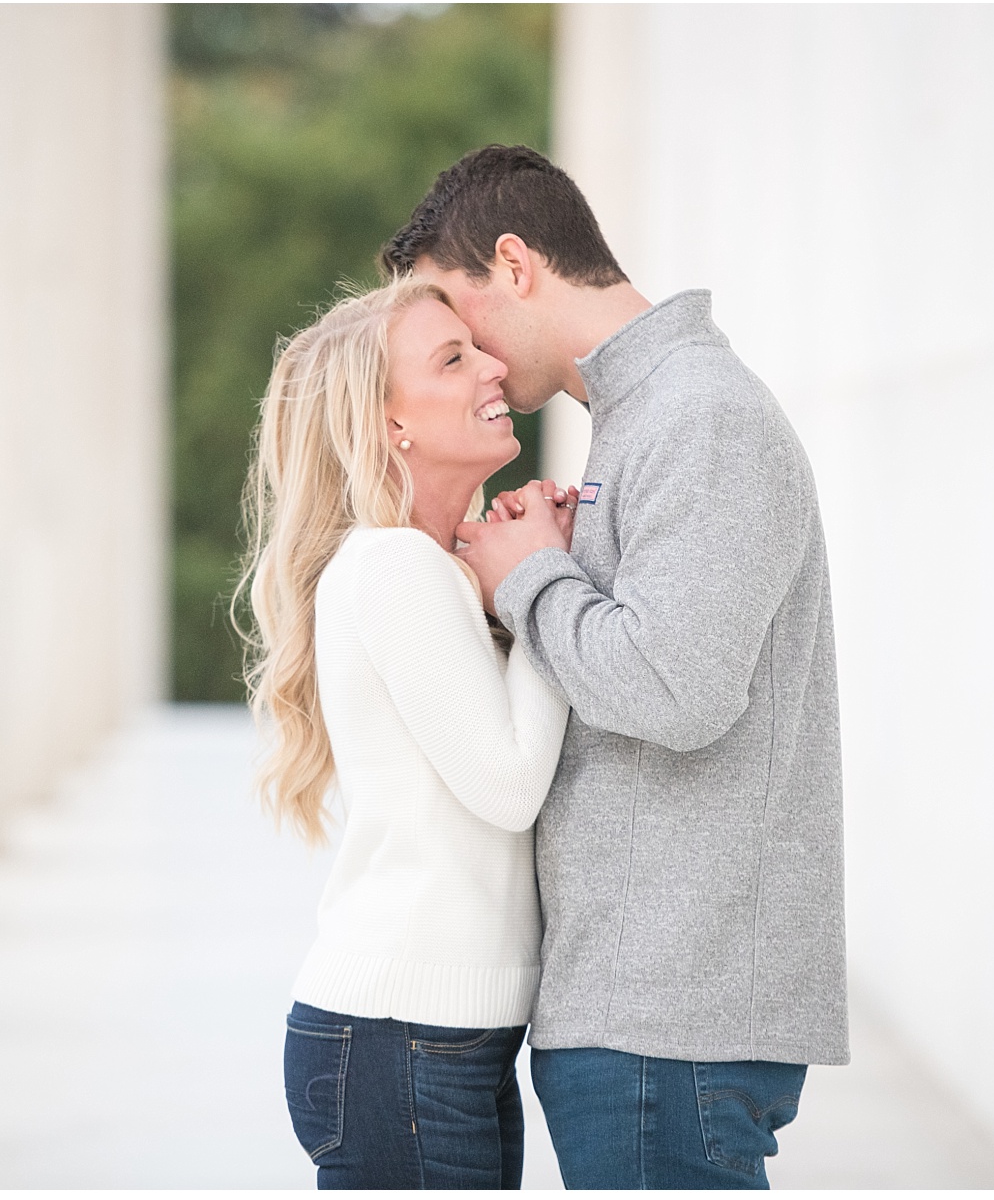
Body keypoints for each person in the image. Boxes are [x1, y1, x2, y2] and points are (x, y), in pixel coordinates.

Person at [378, 144, 849, 1190]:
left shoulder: (701, 414)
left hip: (673, 1011)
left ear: (516, 263)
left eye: (466, 325)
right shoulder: (646, 416)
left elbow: (675, 689)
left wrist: (531, 580)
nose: (483, 366)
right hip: (644, 1006)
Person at [237, 276, 578, 1189]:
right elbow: (510, 787)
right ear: (395, 426)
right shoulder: (391, 568)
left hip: (431, 1042)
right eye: (454, 357)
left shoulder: (429, 569)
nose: (495, 365)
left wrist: (509, 579)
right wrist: (542, 576)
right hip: (403, 1042)